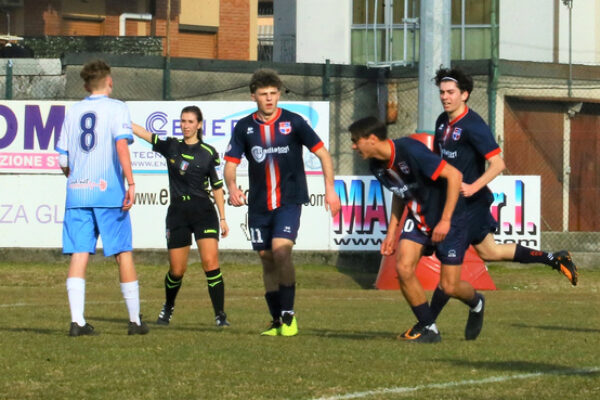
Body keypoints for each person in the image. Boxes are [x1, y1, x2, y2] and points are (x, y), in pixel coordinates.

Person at [427, 67, 578, 329]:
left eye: (451, 92)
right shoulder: (442, 121)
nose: (445, 97)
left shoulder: (474, 125)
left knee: (449, 277)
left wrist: (473, 187)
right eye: (442, 92)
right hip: (458, 203)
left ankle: (426, 325)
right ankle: (554, 258)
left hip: (468, 206)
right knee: (491, 251)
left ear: (465, 95)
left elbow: (498, 164)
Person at [224, 68, 341, 337]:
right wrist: (231, 187)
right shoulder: (244, 127)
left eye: (273, 94)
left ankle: (289, 317)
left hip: (289, 200)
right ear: (253, 96)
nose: (269, 99)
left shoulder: (295, 122)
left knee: (280, 252)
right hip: (258, 204)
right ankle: (276, 320)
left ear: (279, 94)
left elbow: (323, 155)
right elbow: (230, 165)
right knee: (266, 259)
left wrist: (330, 190)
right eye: (263, 94)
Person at [349, 116, 486, 343]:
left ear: (372, 139)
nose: (353, 146)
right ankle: (428, 327)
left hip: (448, 216)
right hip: (418, 218)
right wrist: (391, 232)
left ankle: (477, 302)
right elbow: (399, 191)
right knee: (403, 267)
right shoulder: (376, 165)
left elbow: (454, 175)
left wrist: (445, 220)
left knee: (449, 286)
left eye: (356, 141)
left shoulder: (410, 149)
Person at [55, 59, 148, 336]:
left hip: (78, 194)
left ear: (85, 85)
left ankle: (77, 322)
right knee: (122, 253)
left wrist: (77, 178)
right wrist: (130, 182)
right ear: (110, 81)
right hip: (109, 193)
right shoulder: (117, 108)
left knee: (79, 254)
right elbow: (121, 143)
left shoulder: (73, 111)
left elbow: (62, 160)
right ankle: (134, 322)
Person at [131, 105, 230, 327]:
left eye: (190, 122)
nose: (186, 125)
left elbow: (216, 187)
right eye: (183, 121)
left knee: (210, 262)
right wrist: (119, 119)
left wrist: (223, 217)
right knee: (177, 270)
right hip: (177, 213)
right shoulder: (172, 146)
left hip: (203, 211)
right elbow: (144, 134)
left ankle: (220, 315)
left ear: (199, 125)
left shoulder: (208, 152)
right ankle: (168, 307)